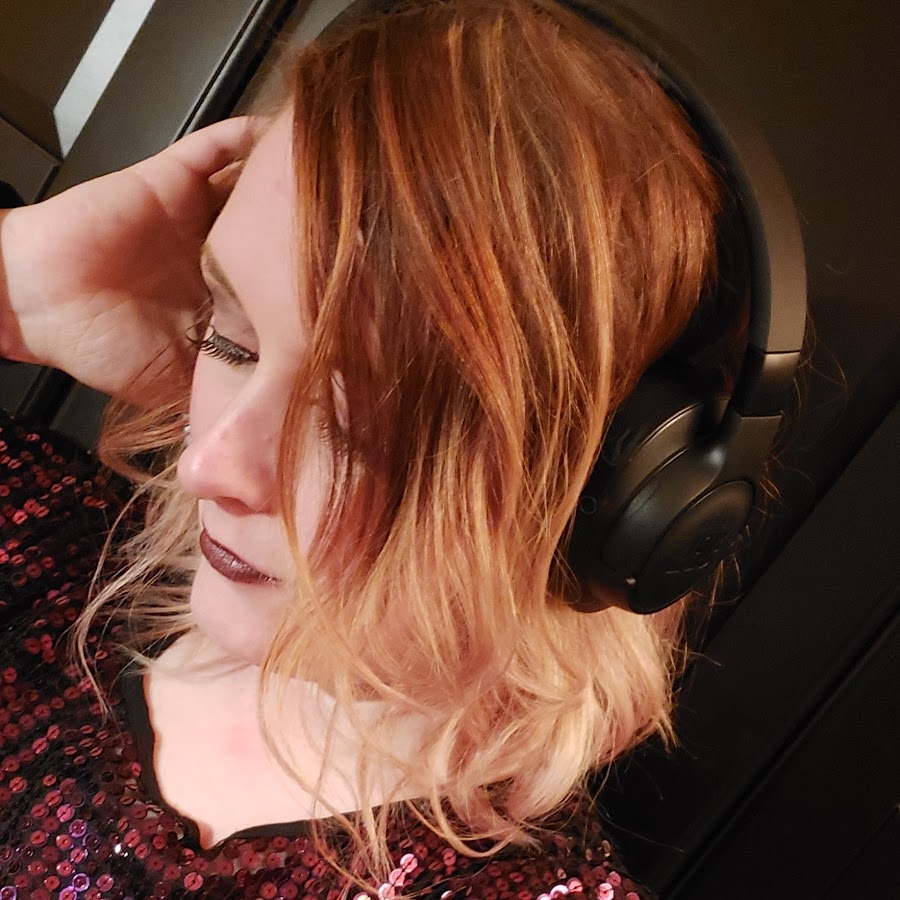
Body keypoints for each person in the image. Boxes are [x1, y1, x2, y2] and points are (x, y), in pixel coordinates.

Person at [0, 1, 728, 897]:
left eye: (351, 426)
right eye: (230, 340)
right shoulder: (40, 552)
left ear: (607, 501)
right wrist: (18, 287)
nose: (206, 467)